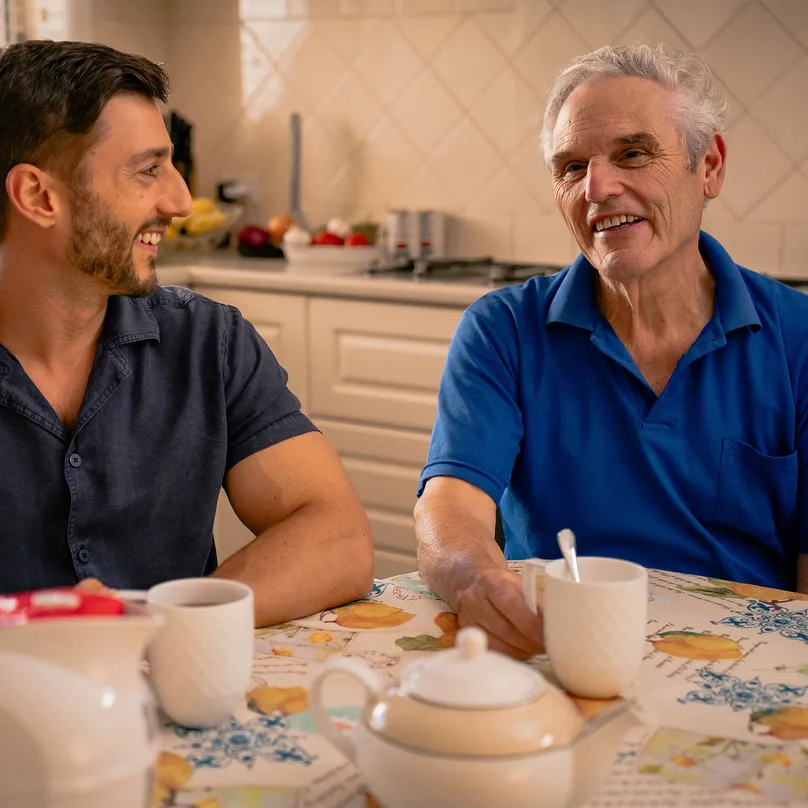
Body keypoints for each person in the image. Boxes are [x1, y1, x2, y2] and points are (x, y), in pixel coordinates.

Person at [415, 43, 808, 659]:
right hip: (558, 647)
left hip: (744, 661)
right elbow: (449, 506)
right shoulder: (502, 329)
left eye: (633, 153)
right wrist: (477, 579)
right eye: (571, 167)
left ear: (709, 166)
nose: (597, 187)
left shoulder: (800, 337)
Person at [0, 40, 374, 625]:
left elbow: (337, 539)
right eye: (148, 170)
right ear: (38, 196)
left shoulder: (208, 341)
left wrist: (163, 626)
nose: (179, 200)